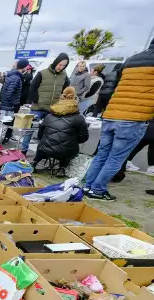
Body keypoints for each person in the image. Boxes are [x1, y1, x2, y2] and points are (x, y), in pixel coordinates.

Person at [84, 38, 154, 201]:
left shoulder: (132, 59)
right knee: (116, 157)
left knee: (102, 154)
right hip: (134, 117)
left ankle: (88, 185)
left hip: (112, 113)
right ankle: (98, 189)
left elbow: (114, 85)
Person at [31, 87, 89, 177]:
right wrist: (73, 140)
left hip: (45, 150)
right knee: (70, 148)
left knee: (43, 144)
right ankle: (62, 168)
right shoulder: (79, 119)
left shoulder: (49, 116)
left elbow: (40, 135)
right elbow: (84, 138)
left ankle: (34, 162)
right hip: (65, 151)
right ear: (75, 101)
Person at [22, 53, 71, 154]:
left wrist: (61, 102)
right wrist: (36, 100)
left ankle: (41, 152)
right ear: (56, 62)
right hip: (38, 108)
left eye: (64, 66)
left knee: (46, 132)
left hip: (52, 109)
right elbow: (33, 87)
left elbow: (66, 90)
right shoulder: (42, 73)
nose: (61, 67)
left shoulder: (64, 76)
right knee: (29, 130)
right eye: (60, 64)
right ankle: (23, 150)